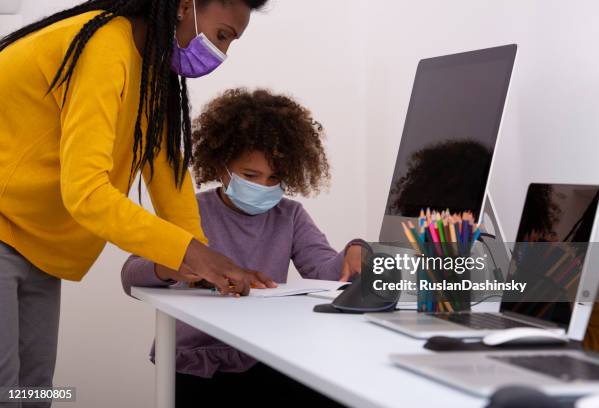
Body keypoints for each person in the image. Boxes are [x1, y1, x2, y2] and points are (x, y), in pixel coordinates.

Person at [0, 0, 268, 401]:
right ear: (183, 7)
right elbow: (87, 194)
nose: (221, 54)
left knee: (34, 393)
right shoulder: (105, 46)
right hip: (6, 228)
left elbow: (166, 175)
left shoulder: (147, 69)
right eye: (222, 36)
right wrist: (191, 254)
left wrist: (203, 265)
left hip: (34, 244)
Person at [121, 88, 367, 407]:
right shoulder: (190, 211)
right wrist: (174, 264)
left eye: (273, 178)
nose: (263, 187)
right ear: (222, 165)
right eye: (251, 175)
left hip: (262, 353)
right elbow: (130, 275)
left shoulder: (290, 216)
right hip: (195, 361)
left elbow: (324, 271)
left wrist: (353, 251)